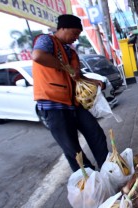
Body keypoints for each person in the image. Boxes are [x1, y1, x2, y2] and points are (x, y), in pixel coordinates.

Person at [31, 14, 109, 172]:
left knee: (96, 134)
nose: (76, 37)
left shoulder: (71, 52)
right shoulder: (46, 41)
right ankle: (89, 181)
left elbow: (76, 75)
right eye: (74, 33)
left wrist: (93, 81)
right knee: (73, 150)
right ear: (62, 28)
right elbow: (38, 56)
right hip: (53, 104)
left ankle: (109, 169)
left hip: (74, 103)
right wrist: (65, 67)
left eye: (78, 34)